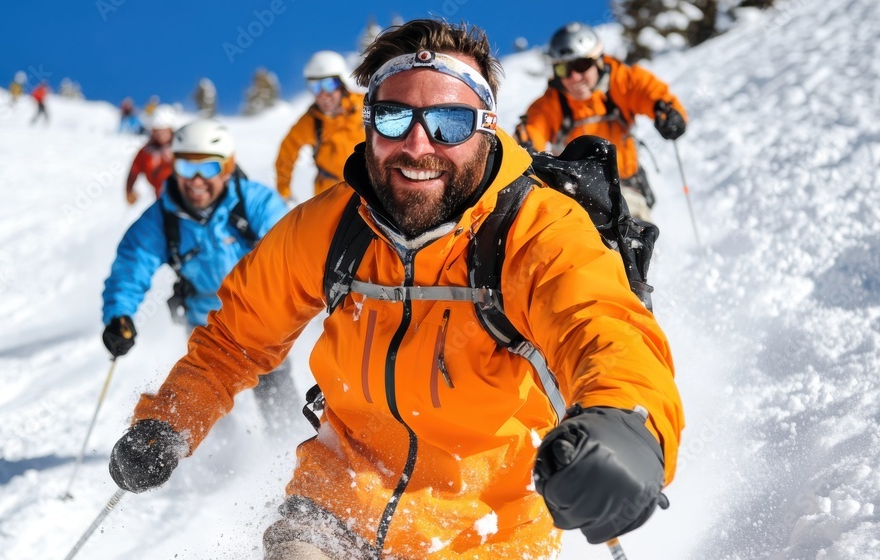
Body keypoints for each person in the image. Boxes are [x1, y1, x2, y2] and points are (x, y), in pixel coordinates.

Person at [108, 20, 683, 559]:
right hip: (337, 499)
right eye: (393, 118)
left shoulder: (535, 229)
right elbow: (236, 338)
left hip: (487, 528)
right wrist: (169, 422)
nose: (417, 145)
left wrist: (625, 425)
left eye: (449, 123)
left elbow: (605, 329)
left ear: (486, 128)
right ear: (368, 125)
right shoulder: (332, 226)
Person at [102, 118, 301, 431]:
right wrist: (119, 314)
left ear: (226, 167)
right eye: (185, 168)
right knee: (206, 398)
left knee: (275, 391)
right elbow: (133, 262)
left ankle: (288, 444)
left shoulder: (254, 203)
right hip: (205, 324)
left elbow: (293, 248)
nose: (196, 181)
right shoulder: (163, 216)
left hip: (260, 321)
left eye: (207, 168)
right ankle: (222, 460)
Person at [515, 22, 688, 222]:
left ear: (598, 61)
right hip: (575, 194)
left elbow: (648, 91)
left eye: (581, 65)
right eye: (564, 69)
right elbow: (533, 128)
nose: (575, 77)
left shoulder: (619, 81)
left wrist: (667, 111)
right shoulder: (551, 104)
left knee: (631, 234)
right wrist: (525, 149)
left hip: (625, 186)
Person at [274, 51, 365, 203]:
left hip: (369, 187)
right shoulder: (310, 122)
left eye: (329, 85)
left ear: (341, 84)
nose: (323, 94)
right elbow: (286, 154)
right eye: (315, 87)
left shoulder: (363, 106)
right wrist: (284, 191)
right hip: (331, 195)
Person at [124, 105, 176, 204]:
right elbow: (134, 170)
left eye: (163, 131)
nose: (160, 135)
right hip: (162, 201)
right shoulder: (147, 152)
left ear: (170, 129)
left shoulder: (181, 147)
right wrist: (129, 190)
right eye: (156, 131)